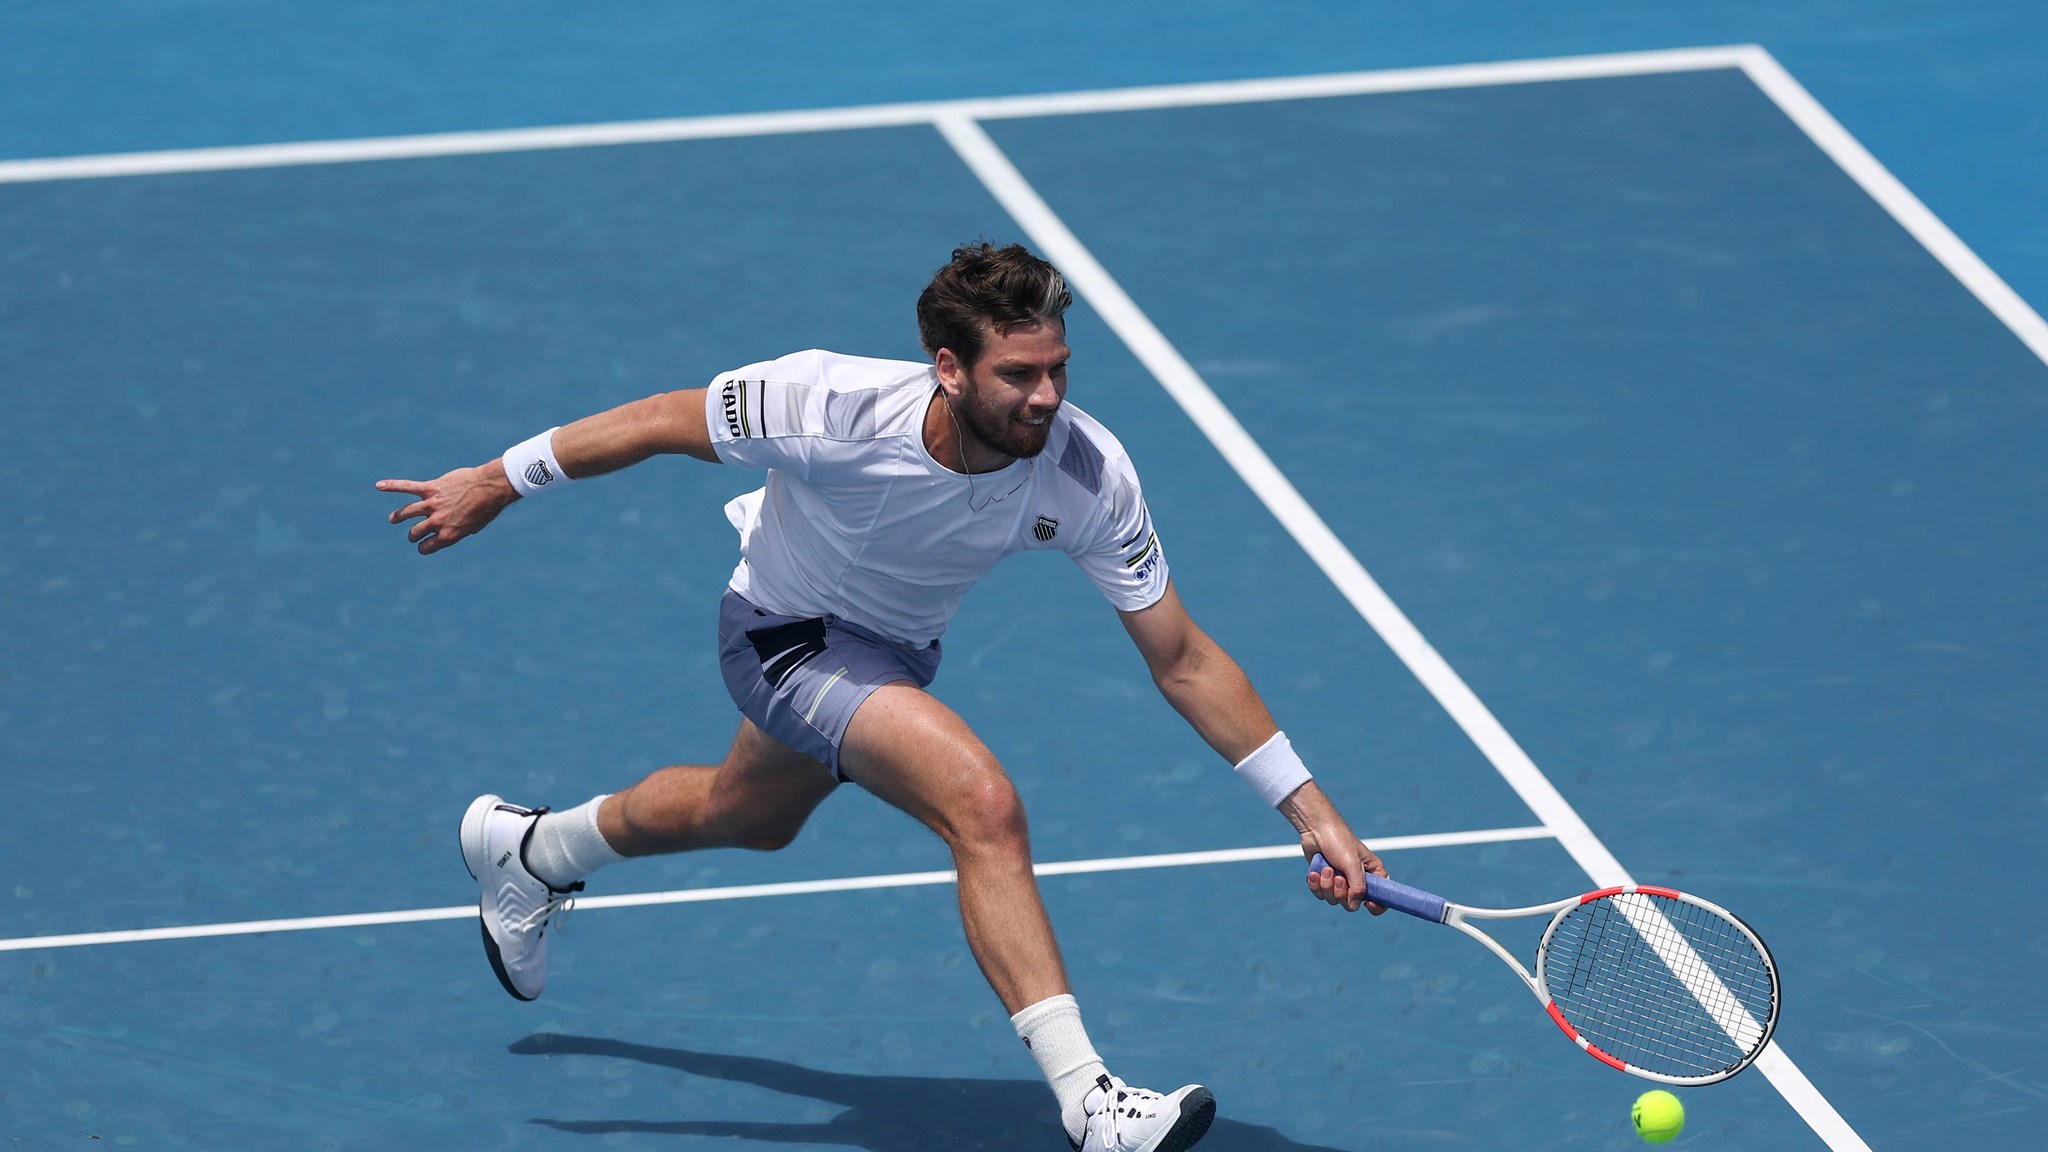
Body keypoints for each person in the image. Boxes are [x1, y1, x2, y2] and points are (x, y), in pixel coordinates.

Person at [377, 242, 1387, 1152]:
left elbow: (1183, 660)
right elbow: (655, 421)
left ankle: (532, 849)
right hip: (783, 636)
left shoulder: (1084, 471)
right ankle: (1092, 1105)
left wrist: (1309, 812)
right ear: (947, 368)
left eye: (1057, 370)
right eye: (1017, 375)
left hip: (892, 654)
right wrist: (498, 480)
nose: (1044, 397)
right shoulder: (826, 404)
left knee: (749, 816)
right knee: (981, 806)